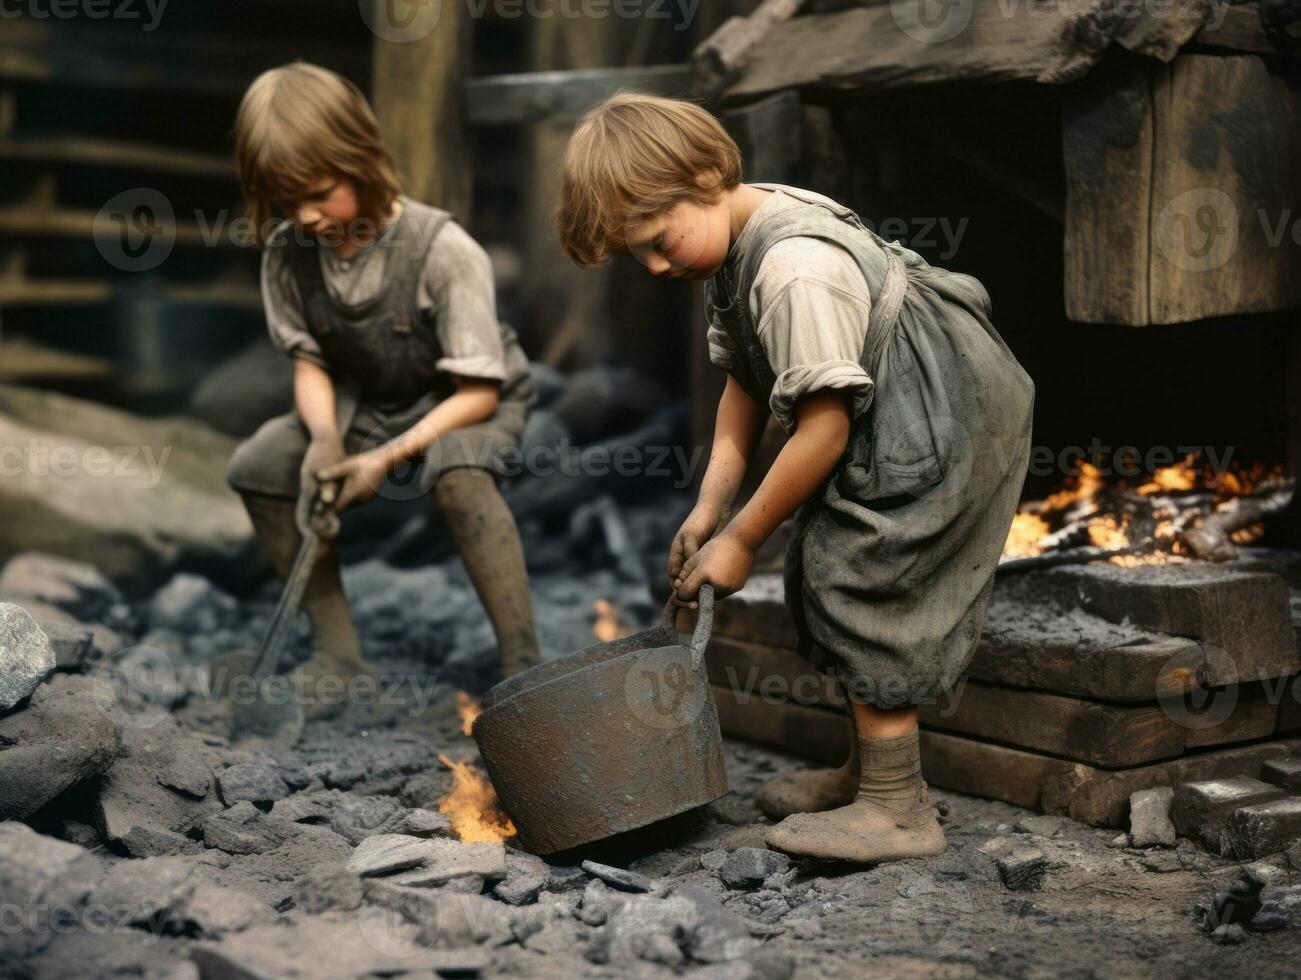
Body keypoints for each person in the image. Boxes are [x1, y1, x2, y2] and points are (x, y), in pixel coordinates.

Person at [555, 94, 1034, 863]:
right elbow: (748, 380)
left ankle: (897, 810)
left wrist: (744, 538)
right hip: (888, 403)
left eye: (655, 241)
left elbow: (823, 427)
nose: (653, 266)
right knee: (822, 562)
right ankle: (867, 773)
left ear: (706, 174)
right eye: (635, 256)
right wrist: (711, 506)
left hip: (944, 412)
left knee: (861, 575)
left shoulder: (791, 269)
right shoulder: (732, 236)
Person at [226, 62, 541, 718]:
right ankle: (340, 658)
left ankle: (522, 664)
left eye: (319, 193)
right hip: (372, 396)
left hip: (468, 394)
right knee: (259, 464)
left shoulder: (445, 250)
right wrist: (325, 441)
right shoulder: (287, 252)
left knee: (458, 473)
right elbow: (310, 360)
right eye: (287, 203)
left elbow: (478, 393)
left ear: (362, 160)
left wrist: (385, 458)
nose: (306, 217)